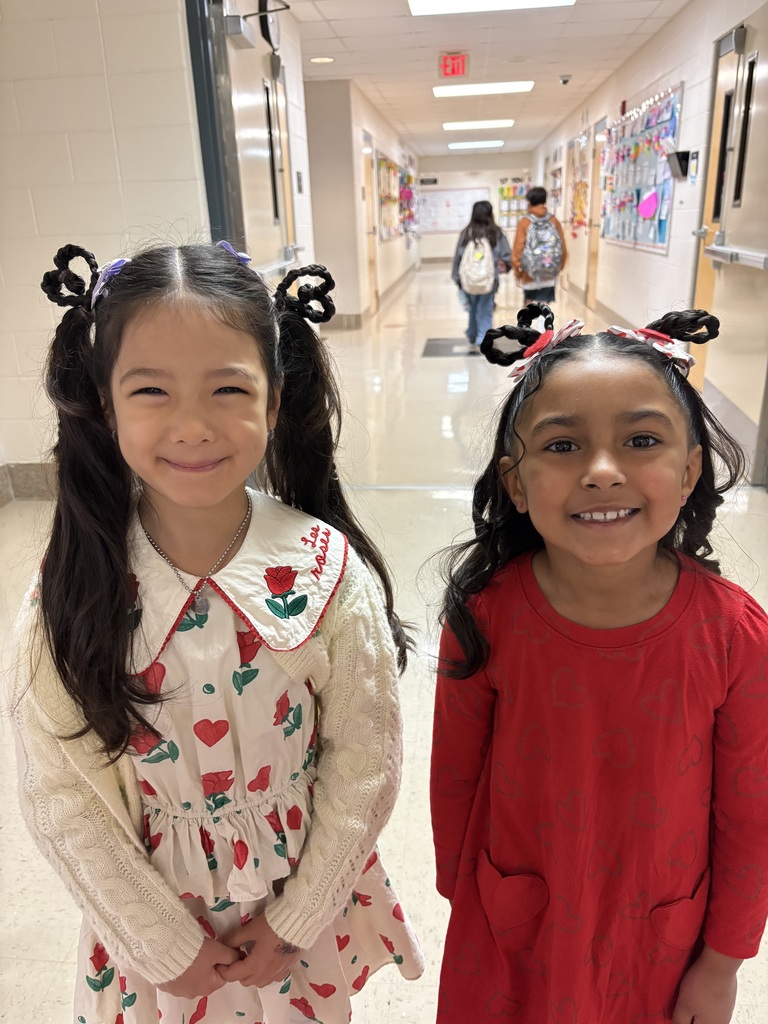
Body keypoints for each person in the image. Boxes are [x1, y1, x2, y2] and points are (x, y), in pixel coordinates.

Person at [10, 241, 424, 1024]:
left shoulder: (327, 571)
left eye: (228, 388)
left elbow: (366, 765)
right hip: (152, 936)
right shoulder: (69, 591)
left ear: (273, 403)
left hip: (297, 921)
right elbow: (59, 794)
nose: (192, 425)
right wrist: (159, 941)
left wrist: (297, 918)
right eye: (151, 391)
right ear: (105, 403)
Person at [430, 302, 768, 1023]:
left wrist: (723, 963)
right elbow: (454, 781)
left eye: (642, 440)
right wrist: (470, 906)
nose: (604, 472)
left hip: (660, 943)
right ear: (514, 484)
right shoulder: (485, 615)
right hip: (510, 935)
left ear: (689, 472)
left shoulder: (734, 635)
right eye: (562, 447)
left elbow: (751, 818)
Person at [452, 200, 512, 346]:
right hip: (489, 280)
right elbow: (505, 256)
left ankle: (472, 333)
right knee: (485, 307)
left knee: (472, 306)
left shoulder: (467, 233)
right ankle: (483, 336)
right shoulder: (496, 233)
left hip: (469, 279)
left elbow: (458, 256)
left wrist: (457, 277)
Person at [512, 187, 567, 305]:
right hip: (549, 273)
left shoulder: (525, 222)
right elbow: (562, 247)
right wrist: (557, 267)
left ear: (529, 202)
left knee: (528, 310)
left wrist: (518, 272)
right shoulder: (553, 221)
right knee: (544, 311)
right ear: (544, 201)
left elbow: (517, 251)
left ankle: (528, 324)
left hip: (529, 274)